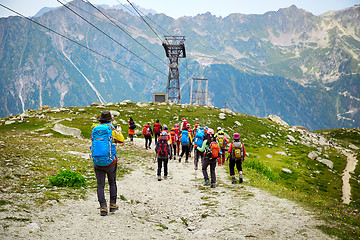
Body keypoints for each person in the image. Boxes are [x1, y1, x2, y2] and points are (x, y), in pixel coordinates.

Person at [91, 110, 125, 216]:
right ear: (110, 120)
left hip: (97, 161)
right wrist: (118, 131)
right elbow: (122, 140)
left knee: (100, 184)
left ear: (100, 120)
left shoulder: (94, 129)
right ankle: (113, 205)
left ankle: (103, 207)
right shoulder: (111, 129)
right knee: (112, 182)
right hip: (110, 161)